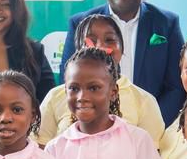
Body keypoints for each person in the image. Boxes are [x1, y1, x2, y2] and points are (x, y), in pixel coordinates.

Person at [61, 0, 186, 125]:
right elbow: (66, 82)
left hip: (149, 132)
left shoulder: (167, 23)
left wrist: (152, 127)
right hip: (92, 128)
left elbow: (175, 86)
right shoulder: (80, 23)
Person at [38, 14, 165, 147]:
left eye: (109, 40)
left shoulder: (143, 100)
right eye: (90, 40)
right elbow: (41, 149)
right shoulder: (55, 96)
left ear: (122, 49)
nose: (99, 47)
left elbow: (150, 155)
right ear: (77, 50)